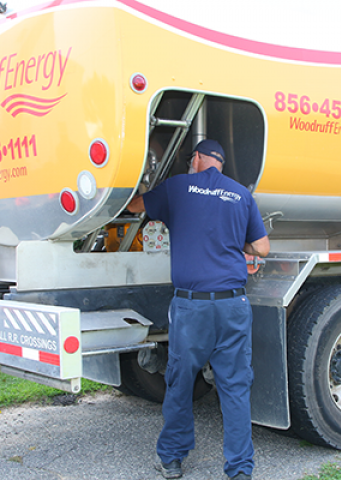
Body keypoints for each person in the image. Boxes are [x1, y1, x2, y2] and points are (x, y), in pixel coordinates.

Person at [127, 139, 270, 480]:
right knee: (234, 386)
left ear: (197, 159)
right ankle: (239, 470)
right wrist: (236, 242)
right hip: (233, 305)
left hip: (193, 308)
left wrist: (145, 187)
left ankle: (173, 459)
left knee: (180, 381)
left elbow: (135, 206)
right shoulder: (240, 194)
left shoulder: (178, 187)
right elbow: (262, 248)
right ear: (219, 164)